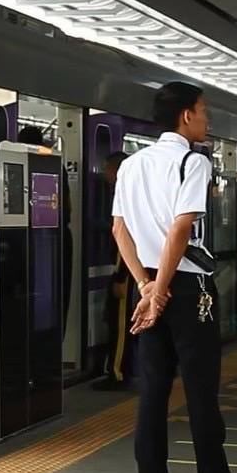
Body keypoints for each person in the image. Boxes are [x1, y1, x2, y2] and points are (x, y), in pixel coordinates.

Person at [111, 81, 237, 473]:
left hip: (148, 284)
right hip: (187, 289)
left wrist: (145, 287)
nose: (207, 119)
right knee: (201, 392)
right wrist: (162, 289)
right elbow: (181, 229)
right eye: (203, 111)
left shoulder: (131, 164)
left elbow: (119, 229)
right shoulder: (193, 162)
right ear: (186, 115)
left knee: (152, 391)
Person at [16, 126, 74, 337]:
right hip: (55, 239)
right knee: (57, 295)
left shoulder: (15, 166)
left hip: (25, 241)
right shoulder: (55, 166)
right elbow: (66, 207)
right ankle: (54, 340)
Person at [95, 151, 133, 391]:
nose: (104, 174)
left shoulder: (126, 197)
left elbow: (127, 241)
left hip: (126, 272)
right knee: (115, 320)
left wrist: (121, 276)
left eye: (107, 169)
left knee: (120, 324)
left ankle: (118, 373)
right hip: (126, 270)